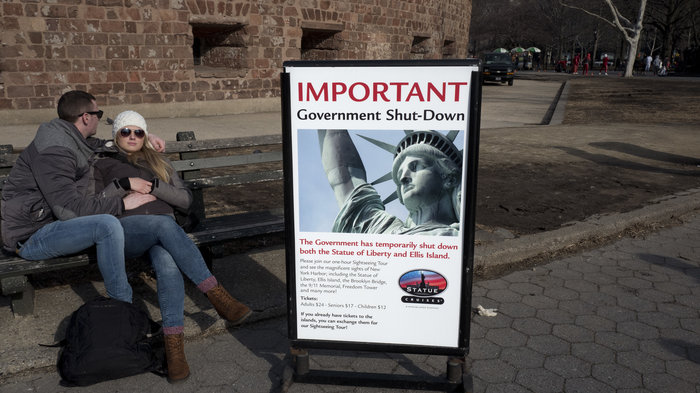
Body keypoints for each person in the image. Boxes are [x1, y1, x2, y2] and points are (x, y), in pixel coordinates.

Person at [93, 110, 252, 382]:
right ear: (115, 135)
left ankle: (174, 351)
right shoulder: (103, 164)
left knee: (167, 262)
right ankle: (218, 297)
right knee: (165, 226)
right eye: (125, 131)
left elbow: (186, 201)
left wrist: (155, 187)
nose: (132, 136)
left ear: (145, 135)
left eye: (138, 132)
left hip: (164, 233)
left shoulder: (160, 162)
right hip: (126, 231)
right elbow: (94, 203)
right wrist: (122, 188)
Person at [1, 90, 164, 303]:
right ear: (86, 117)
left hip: (46, 223)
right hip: (30, 236)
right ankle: (123, 306)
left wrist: (145, 137)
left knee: (112, 224)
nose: (99, 118)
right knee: (107, 225)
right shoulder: (55, 151)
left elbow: (99, 145)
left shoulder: (69, 136)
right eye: (98, 113)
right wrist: (121, 203)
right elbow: (67, 210)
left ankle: (123, 309)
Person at [318, 129, 462, 236]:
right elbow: (346, 178)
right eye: (399, 174)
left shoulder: (463, 235)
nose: (404, 177)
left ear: (449, 178)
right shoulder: (384, 232)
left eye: (416, 166)